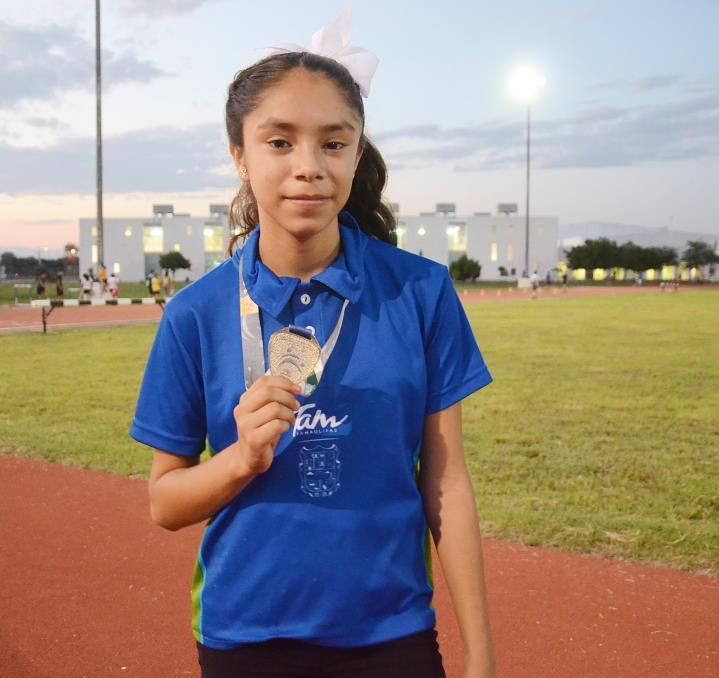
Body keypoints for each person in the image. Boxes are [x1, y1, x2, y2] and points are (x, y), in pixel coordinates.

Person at [131, 12, 495, 678]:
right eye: (279, 142)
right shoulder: (194, 314)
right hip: (245, 637)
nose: (309, 167)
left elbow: (447, 481)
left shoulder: (420, 294)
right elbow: (165, 503)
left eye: (333, 143)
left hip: (392, 633)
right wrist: (242, 458)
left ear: (358, 154)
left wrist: (482, 658)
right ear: (240, 156)